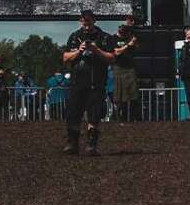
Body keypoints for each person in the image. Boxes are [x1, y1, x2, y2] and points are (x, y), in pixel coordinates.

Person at [60, 10, 117, 155]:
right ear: (80, 21)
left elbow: (112, 58)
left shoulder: (104, 37)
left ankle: (92, 145)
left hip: (96, 81)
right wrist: (79, 51)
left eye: (89, 23)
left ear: (94, 21)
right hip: (77, 81)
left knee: (94, 114)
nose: (86, 26)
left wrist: (96, 49)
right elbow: (65, 57)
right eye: (84, 23)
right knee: (73, 113)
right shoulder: (74, 36)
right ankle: (72, 144)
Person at [107, 11, 141, 122]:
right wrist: (128, 45)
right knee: (119, 95)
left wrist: (131, 28)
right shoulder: (113, 39)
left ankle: (134, 117)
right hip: (118, 67)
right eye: (121, 31)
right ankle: (119, 117)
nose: (123, 33)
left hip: (130, 67)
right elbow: (116, 52)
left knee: (133, 93)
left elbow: (137, 46)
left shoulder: (130, 36)